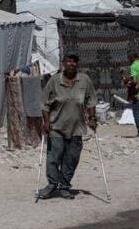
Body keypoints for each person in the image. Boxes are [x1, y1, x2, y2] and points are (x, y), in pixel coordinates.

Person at [39, 53, 97, 200]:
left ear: (77, 64)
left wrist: (92, 118)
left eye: (74, 61)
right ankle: (52, 185)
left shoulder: (84, 80)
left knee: (71, 158)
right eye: (68, 61)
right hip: (56, 126)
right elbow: (44, 103)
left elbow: (91, 100)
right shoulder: (54, 81)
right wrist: (46, 122)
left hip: (76, 127)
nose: (71, 64)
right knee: (54, 157)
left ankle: (64, 186)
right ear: (63, 63)